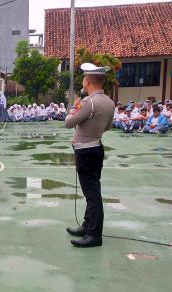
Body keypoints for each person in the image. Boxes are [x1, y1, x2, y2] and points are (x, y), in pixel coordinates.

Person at [64, 63, 114, 248]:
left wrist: (73, 111)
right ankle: (87, 225)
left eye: (84, 78)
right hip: (96, 147)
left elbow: (69, 123)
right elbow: (108, 127)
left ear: (88, 81)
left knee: (92, 194)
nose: (83, 81)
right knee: (92, 191)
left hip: (85, 151)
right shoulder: (109, 102)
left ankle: (94, 234)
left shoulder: (89, 102)